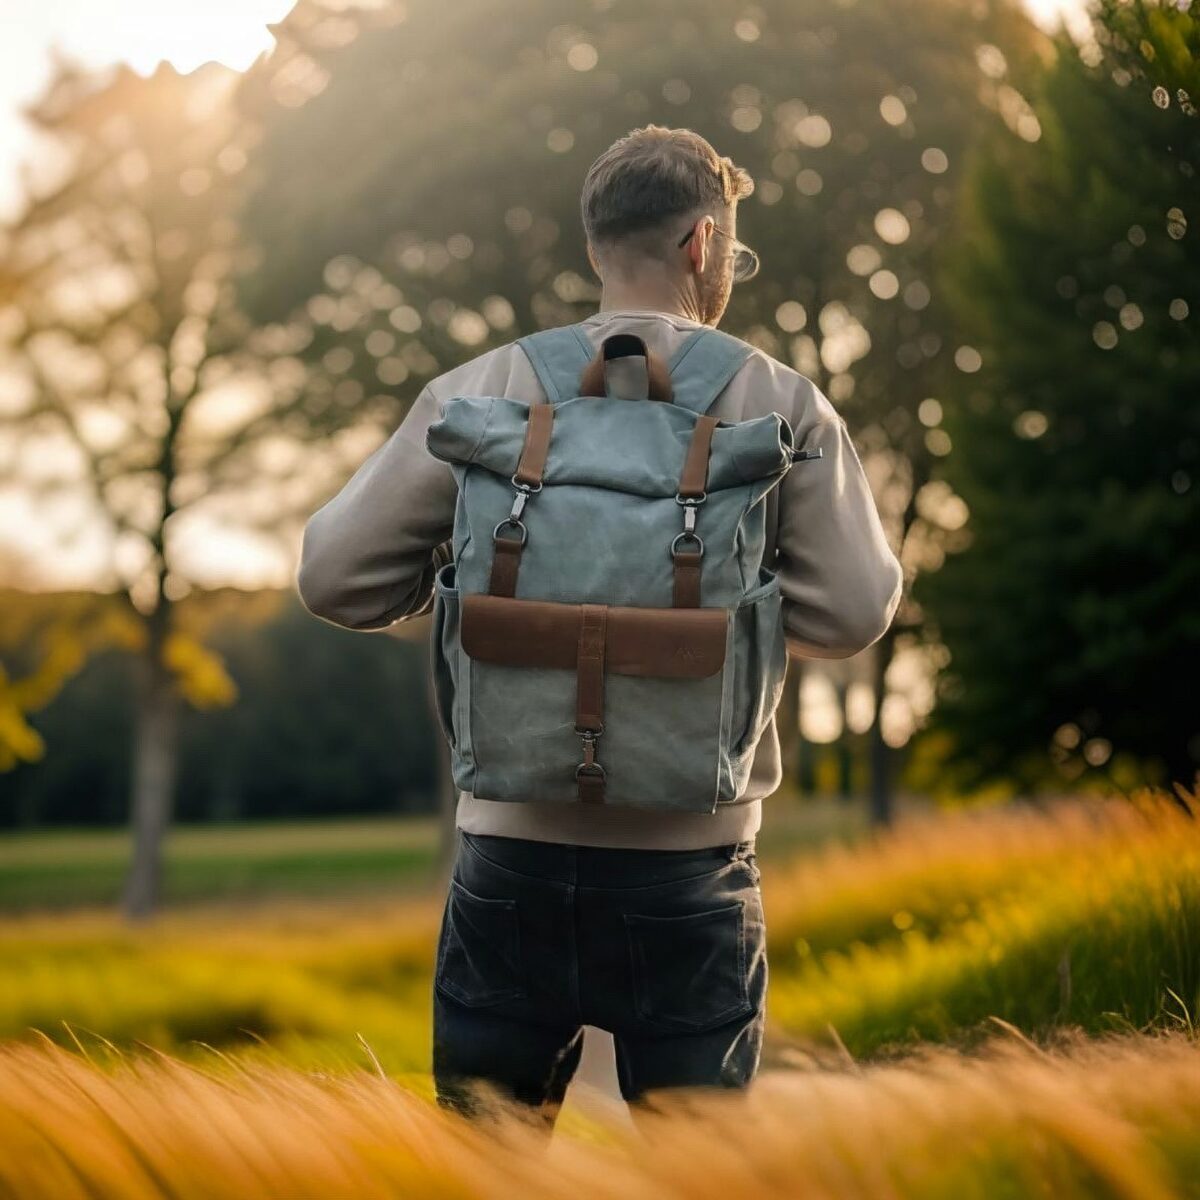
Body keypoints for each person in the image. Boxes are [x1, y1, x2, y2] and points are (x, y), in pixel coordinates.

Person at [296, 125, 903, 1126]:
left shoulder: (480, 392)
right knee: (695, 1175)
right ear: (703, 244)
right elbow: (852, 610)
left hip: (509, 866)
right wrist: (715, 600)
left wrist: (470, 580)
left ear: (595, 246)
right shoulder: (779, 401)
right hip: (690, 869)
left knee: (487, 1172)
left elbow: (333, 578)